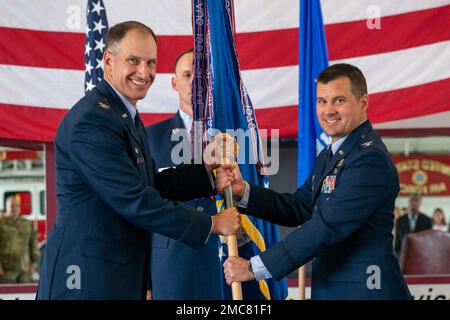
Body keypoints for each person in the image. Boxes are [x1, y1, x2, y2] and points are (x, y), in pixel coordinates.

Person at [36, 21, 241, 300]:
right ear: (108, 60)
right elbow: (134, 198)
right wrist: (212, 224)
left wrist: (206, 173)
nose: (144, 72)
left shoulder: (124, 116)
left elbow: (149, 183)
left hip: (114, 274)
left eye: (151, 62)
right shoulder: (92, 121)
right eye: (133, 60)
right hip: (85, 278)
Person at [217, 63, 411, 299]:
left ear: (363, 103)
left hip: (366, 291)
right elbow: (299, 207)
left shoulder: (369, 159)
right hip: (333, 289)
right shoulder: (330, 155)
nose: (328, 110)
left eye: (339, 100)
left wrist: (253, 267)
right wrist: (243, 192)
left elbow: (326, 226)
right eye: (322, 101)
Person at [145, 48, 224, 299]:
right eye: (188, 74)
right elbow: (141, 210)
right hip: (168, 265)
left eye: (202, 76)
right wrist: (145, 283)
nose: (195, 82)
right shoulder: (149, 137)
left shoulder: (235, 136)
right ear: (174, 82)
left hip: (224, 263)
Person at [0, 195, 40, 283]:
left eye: (17, 206)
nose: (14, 208)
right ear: (7, 207)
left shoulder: (27, 224)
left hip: (24, 270)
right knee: (8, 295)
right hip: (6, 271)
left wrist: (33, 265)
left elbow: (33, 246)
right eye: (12, 206)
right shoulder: (1, 223)